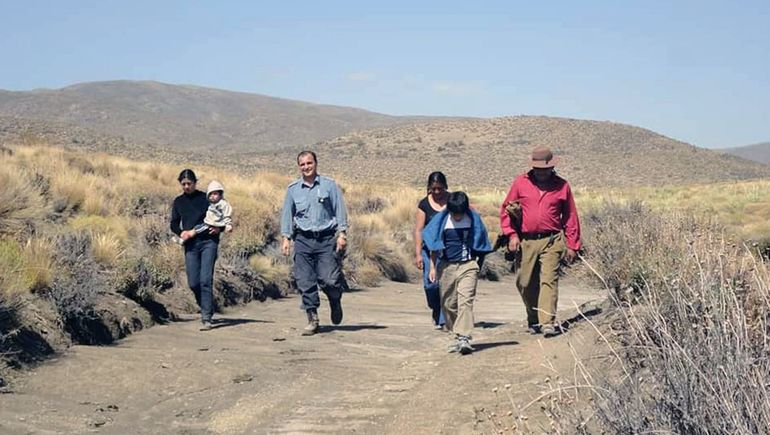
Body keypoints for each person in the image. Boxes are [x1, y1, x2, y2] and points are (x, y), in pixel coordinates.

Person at [499, 146, 582, 338]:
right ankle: (533, 317)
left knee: (549, 280)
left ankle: (547, 322)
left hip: (552, 240)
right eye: (537, 169)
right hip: (526, 241)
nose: (541, 172)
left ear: (552, 167)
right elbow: (506, 210)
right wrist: (512, 235)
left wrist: (572, 244)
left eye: (544, 169)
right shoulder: (520, 183)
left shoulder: (562, 186)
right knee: (525, 283)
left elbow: (570, 216)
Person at [280, 151, 349, 336]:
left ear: (316, 163)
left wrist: (342, 233)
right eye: (302, 164)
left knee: (329, 279)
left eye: (309, 163)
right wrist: (286, 237)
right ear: (299, 167)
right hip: (303, 239)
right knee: (305, 280)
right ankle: (312, 318)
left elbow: (339, 209)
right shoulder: (293, 189)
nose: (306, 167)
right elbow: (287, 214)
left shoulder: (329, 185)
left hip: (326, 239)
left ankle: (335, 298)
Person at [423, 191, 492, 355]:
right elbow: (434, 246)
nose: (458, 217)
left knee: (465, 301)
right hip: (446, 267)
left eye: (460, 213)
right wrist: (432, 267)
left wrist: (477, 263)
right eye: (455, 213)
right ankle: (456, 333)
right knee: (448, 304)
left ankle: (464, 337)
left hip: (468, 265)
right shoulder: (442, 221)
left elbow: (481, 241)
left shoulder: (473, 220)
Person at [170, 169, 221, 331]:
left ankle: (206, 317)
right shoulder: (179, 201)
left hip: (208, 242)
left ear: (195, 183)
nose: (186, 186)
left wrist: (218, 228)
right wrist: (180, 232)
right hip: (190, 245)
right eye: (183, 184)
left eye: (189, 183)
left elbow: (218, 217)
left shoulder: (205, 199)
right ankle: (206, 305)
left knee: (205, 279)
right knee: (193, 282)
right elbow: (173, 223)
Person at [414, 172, 448, 329]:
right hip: (429, 250)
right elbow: (419, 230)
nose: (437, 192)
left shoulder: (451, 200)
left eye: (440, 188)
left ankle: (442, 318)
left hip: (448, 250)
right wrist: (418, 254)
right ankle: (435, 307)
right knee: (431, 285)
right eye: (433, 189)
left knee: (445, 285)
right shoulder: (424, 204)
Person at [174, 180, 233, 244]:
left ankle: (184, 238)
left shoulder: (223, 204)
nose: (212, 196)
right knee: (197, 229)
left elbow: (227, 214)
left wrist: (228, 224)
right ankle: (184, 239)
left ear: (220, 194)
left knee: (195, 231)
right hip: (208, 223)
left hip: (214, 223)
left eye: (215, 194)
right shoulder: (210, 203)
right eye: (210, 194)